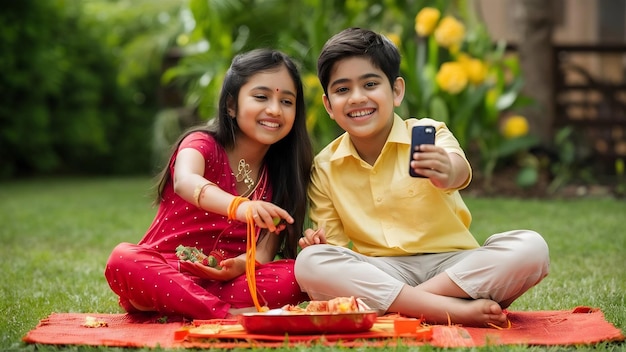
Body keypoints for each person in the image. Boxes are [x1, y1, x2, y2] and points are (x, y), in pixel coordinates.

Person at [294, 28, 550, 327]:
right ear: (328, 106)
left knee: (531, 247)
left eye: (371, 84)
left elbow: (459, 171)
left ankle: (412, 306)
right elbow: (335, 250)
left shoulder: (430, 133)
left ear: (397, 91)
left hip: (454, 267)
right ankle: (450, 310)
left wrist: (447, 170)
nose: (357, 97)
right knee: (311, 263)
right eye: (342, 90)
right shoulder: (324, 166)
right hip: (385, 271)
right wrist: (320, 244)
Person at [105, 49, 313, 319]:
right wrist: (240, 207)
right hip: (165, 270)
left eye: (287, 101)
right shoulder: (201, 144)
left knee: (298, 272)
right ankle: (225, 317)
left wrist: (237, 265)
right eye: (261, 97)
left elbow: (263, 253)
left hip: (224, 283)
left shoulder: (283, 174)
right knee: (123, 259)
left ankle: (187, 307)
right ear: (231, 105)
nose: (274, 110)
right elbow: (185, 181)